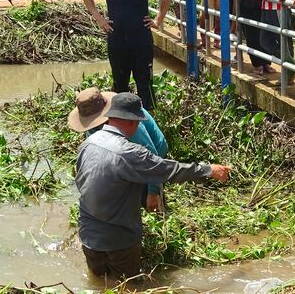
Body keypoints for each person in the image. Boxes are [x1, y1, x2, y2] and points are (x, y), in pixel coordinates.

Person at [75, 92, 230, 279]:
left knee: (99, 283)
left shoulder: (87, 144)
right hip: (120, 242)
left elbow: (81, 182)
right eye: (139, 122)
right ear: (133, 122)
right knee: (127, 287)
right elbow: (168, 170)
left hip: (88, 238)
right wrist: (208, 170)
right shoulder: (129, 152)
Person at [82, 0, 171, 111]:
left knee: (144, 82)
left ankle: (148, 119)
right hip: (117, 41)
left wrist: (158, 20)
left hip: (141, 40)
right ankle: (122, 120)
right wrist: (100, 19)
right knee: (120, 83)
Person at [68, 87, 168, 213]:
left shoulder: (127, 122)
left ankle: (159, 208)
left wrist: (153, 193)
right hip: (125, 157)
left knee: (150, 204)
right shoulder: (93, 129)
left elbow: (153, 157)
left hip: (155, 154)